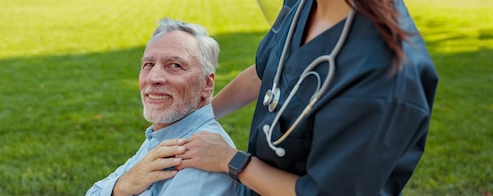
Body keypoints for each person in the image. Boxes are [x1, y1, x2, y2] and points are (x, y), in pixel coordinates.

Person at [169, 0, 439, 195]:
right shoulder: (303, 6)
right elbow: (266, 72)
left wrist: (231, 160)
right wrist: (196, 118)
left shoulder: (383, 76)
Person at [86, 18, 245, 196]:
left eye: (175, 65)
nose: (153, 78)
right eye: (149, 65)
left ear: (206, 84)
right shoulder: (166, 134)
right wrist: (121, 186)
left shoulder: (199, 158)